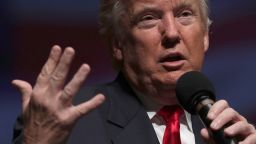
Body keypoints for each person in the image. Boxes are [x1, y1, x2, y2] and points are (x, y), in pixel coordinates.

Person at [12, 0, 256, 143]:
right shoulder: (62, 122)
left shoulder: (228, 129)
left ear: (204, 36)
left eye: (184, 14)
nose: (171, 33)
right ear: (118, 44)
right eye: (148, 18)